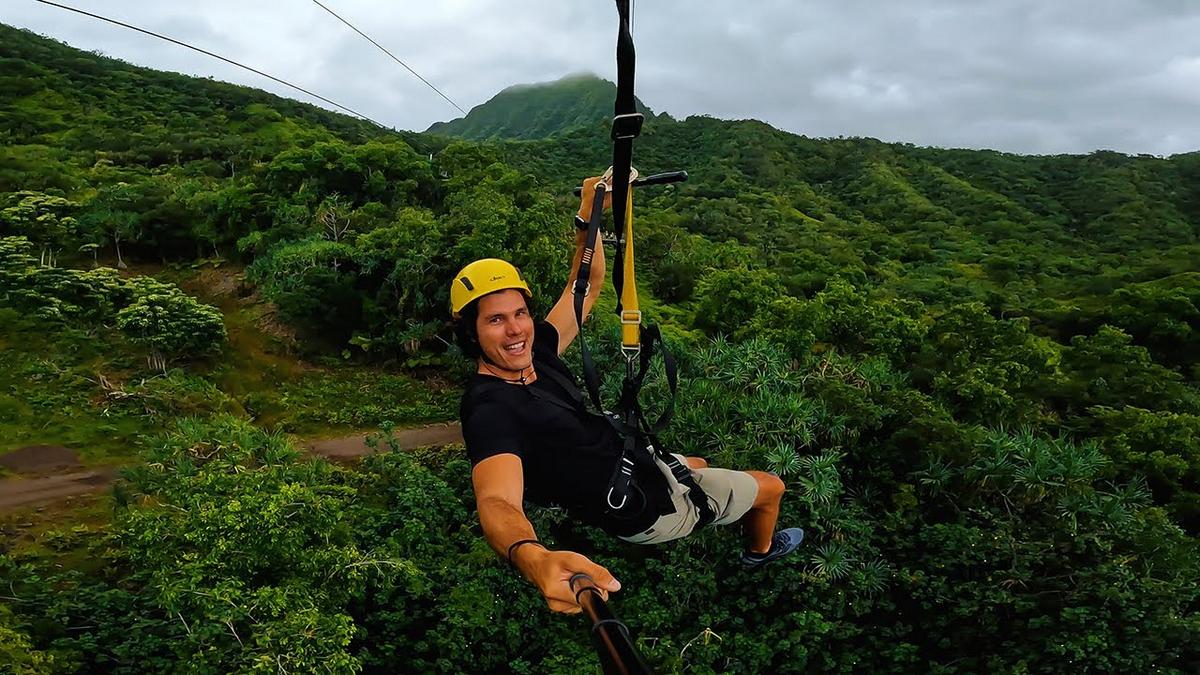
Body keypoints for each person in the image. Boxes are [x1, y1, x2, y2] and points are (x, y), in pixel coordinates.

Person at [452, 175, 804, 614]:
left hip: (630, 461)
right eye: (496, 320)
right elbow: (497, 500)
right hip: (642, 508)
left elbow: (586, 285)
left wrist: (590, 210)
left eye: (520, 313)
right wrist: (533, 556)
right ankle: (760, 552)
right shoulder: (490, 409)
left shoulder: (535, 350)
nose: (516, 329)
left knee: (698, 465)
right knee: (771, 486)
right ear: (470, 334)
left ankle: (697, 483)